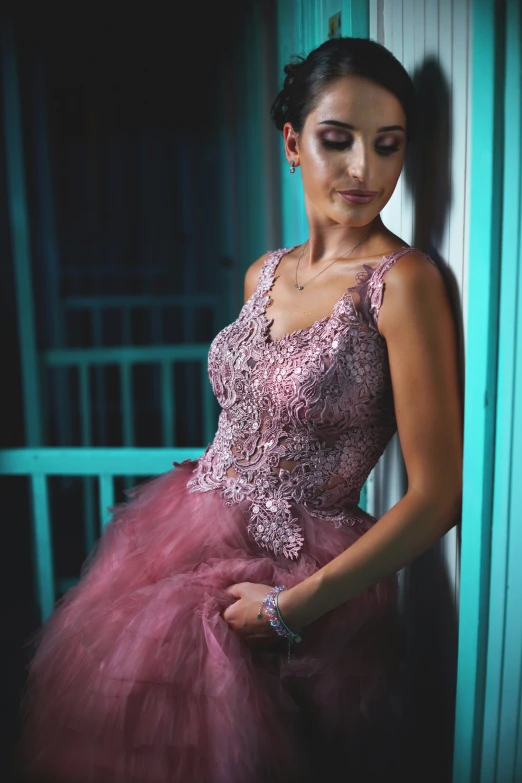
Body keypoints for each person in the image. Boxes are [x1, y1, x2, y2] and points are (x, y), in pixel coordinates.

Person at [15, 36, 462, 783]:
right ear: (292, 143)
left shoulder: (402, 283)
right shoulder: (265, 270)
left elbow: (437, 495)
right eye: (336, 140)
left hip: (297, 571)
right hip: (184, 528)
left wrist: (295, 604)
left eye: (388, 146)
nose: (363, 169)